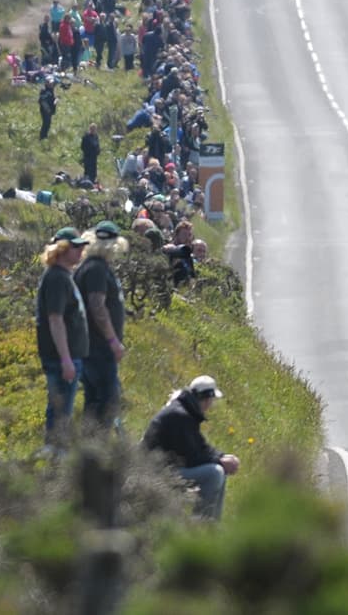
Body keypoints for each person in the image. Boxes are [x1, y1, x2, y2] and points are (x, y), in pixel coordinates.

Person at [142, 375, 240, 519]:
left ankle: (212, 522)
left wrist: (221, 457)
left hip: (167, 466)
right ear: (207, 398)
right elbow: (191, 458)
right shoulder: (180, 416)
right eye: (211, 400)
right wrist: (219, 462)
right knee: (214, 473)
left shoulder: (185, 410)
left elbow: (200, 446)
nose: (211, 404)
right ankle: (200, 525)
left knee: (220, 470)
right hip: (156, 471)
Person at [36, 226, 91, 455]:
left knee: (61, 409)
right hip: (62, 359)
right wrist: (66, 359)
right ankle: (55, 453)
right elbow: (55, 320)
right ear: (62, 249)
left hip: (69, 356)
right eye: (75, 247)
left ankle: (55, 451)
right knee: (60, 410)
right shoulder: (57, 278)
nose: (80, 252)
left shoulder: (63, 276)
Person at [77, 220, 128, 430]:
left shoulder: (90, 267)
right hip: (98, 348)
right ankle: (100, 450)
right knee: (107, 400)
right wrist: (113, 340)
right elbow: (97, 307)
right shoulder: (97, 269)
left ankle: (90, 450)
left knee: (94, 400)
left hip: (91, 346)